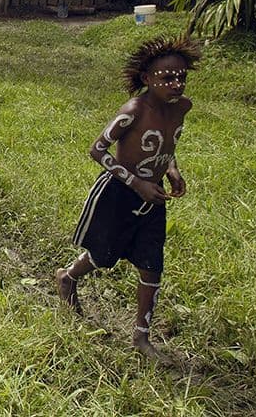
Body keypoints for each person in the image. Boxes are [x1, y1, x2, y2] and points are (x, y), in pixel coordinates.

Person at [56, 36, 201, 361]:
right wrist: (136, 182)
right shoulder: (134, 110)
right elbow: (97, 150)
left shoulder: (182, 107)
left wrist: (173, 170)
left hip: (153, 197)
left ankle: (141, 338)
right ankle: (67, 277)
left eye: (181, 77)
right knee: (103, 255)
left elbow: (168, 146)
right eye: (167, 78)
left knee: (152, 266)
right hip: (118, 194)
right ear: (147, 79)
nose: (176, 84)